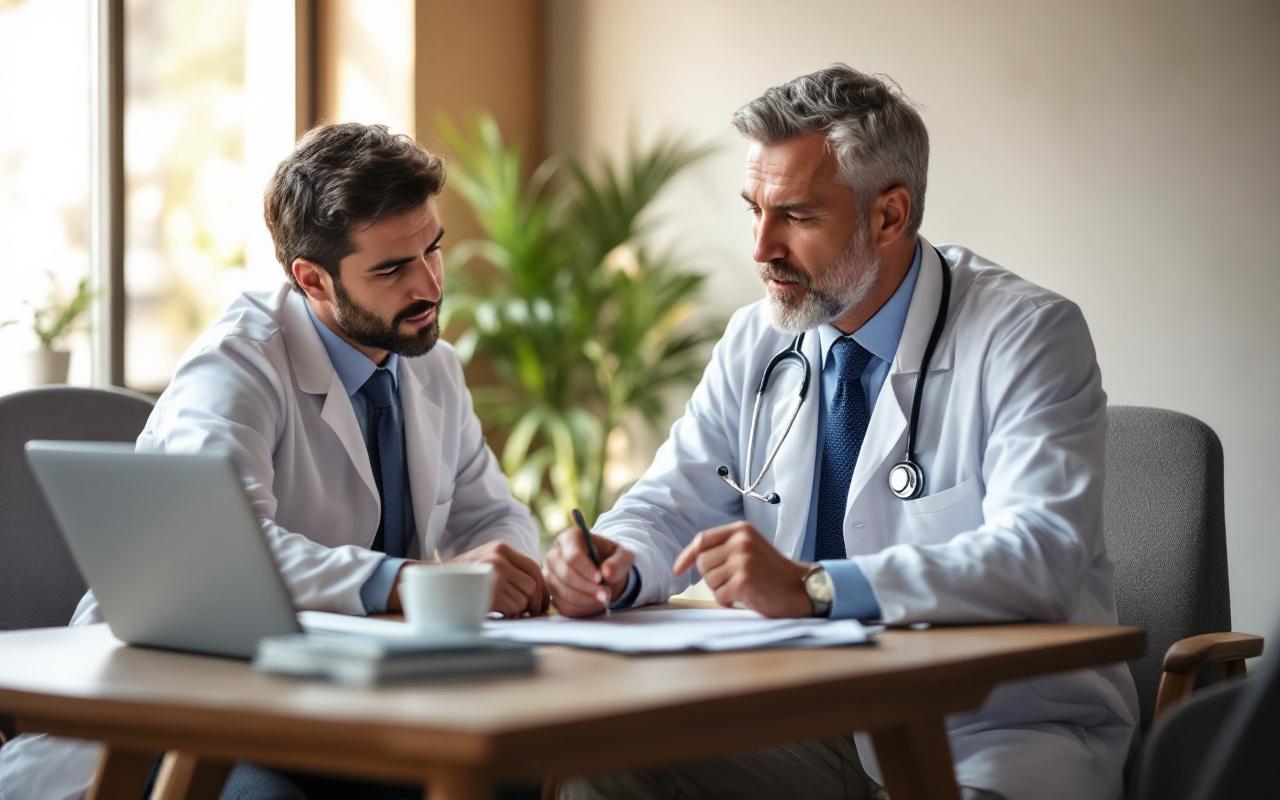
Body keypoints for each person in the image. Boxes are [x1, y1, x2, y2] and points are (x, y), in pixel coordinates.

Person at [545, 65, 1139, 799]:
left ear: (889, 216)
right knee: (599, 769)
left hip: (990, 730)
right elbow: (671, 501)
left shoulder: (1026, 335)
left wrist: (817, 588)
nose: (761, 247)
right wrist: (614, 562)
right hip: (803, 722)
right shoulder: (757, 339)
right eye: (754, 210)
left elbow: (1040, 555)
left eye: (795, 217)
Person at [0, 123, 544, 799]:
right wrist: (411, 582)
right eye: (391, 269)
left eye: (432, 249)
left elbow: (490, 516)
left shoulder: (434, 368)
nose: (430, 284)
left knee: (507, 784)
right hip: (193, 700)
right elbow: (218, 549)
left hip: (353, 697)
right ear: (312, 279)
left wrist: (517, 572)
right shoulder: (235, 365)